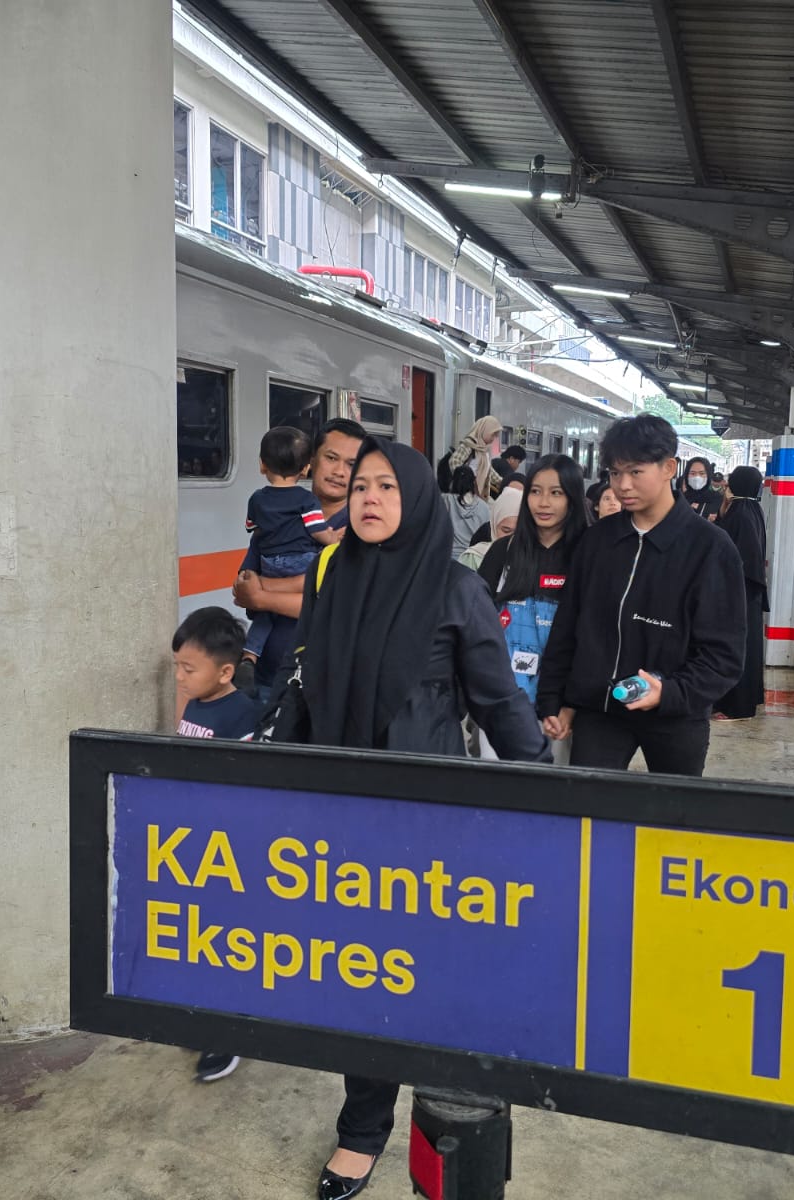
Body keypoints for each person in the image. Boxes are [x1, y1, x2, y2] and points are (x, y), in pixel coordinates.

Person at [294, 436, 549, 1200]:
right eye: (360, 486)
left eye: (387, 486)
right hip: (343, 814)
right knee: (361, 978)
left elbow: (498, 700)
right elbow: (307, 688)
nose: (369, 498)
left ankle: (446, 1120)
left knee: (434, 978)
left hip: (430, 820)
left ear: (415, 498)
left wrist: (547, 789)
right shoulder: (330, 576)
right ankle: (362, 1130)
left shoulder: (455, 589)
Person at [537, 414, 745, 777]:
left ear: (669, 468)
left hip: (676, 714)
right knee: (589, 804)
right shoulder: (598, 541)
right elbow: (568, 625)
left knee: (670, 807)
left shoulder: (710, 548)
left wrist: (670, 692)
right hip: (600, 710)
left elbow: (724, 655)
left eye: (635, 472)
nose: (623, 485)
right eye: (615, 473)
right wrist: (555, 698)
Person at [169, 606, 263, 1083]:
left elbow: (245, 787)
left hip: (230, 849)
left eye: (189, 669)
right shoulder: (195, 704)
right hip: (193, 844)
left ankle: (230, 1034)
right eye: (177, 667)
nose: (180, 677)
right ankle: (208, 1016)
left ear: (225, 672)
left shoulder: (243, 714)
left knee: (231, 942)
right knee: (200, 939)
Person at [232, 418, 365, 691]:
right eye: (331, 458)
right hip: (267, 677)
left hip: (323, 684)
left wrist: (263, 594)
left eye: (351, 464)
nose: (339, 472)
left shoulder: (360, 528)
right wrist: (258, 593)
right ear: (310, 461)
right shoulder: (275, 519)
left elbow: (337, 606)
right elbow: (243, 587)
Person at [477, 453, 590, 764]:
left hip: (561, 710)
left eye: (556, 493)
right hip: (504, 701)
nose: (543, 503)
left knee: (552, 786)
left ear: (573, 497)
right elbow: (478, 622)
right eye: (536, 491)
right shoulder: (503, 551)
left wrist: (569, 706)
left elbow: (594, 637)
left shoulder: (587, 556)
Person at [239, 426, 340, 666]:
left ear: (262, 465)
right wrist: (334, 538)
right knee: (312, 592)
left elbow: (251, 526)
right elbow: (317, 531)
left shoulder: (257, 498)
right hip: (301, 560)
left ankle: (250, 655)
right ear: (305, 469)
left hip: (269, 562)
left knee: (265, 613)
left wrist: (261, 590)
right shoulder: (307, 500)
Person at [714, 466, 769, 720]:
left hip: (739, 593)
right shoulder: (752, 509)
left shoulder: (740, 513)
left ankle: (735, 705)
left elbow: (734, 555)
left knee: (736, 647)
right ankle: (742, 700)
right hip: (749, 592)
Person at [438, 414, 501, 497]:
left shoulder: (483, 450)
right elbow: (454, 461)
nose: (493, 439)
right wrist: (466, 479)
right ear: (484, 430)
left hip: (477, 494)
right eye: (492, 435)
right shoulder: (469, 445)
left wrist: (501, 481)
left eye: (495, 436)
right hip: (464, 494)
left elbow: (488, 471)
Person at [459, 485, 520, 572]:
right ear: (493, 526)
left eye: (519, 532)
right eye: (506, 531)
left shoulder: (532, 561)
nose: (511, 538)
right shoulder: (474, 558)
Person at [444, 463, 486, 558]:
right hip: (473, 557)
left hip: (449, 556)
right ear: (474, 482)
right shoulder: (484, 507)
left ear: (453, 481)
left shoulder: (445, 501)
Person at [679, 456, 719, 520]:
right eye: (692, 473)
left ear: (708, 475)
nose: (697, 477)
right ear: (686, 475)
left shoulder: (716, 497)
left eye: (702, 473)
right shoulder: (679, 498)